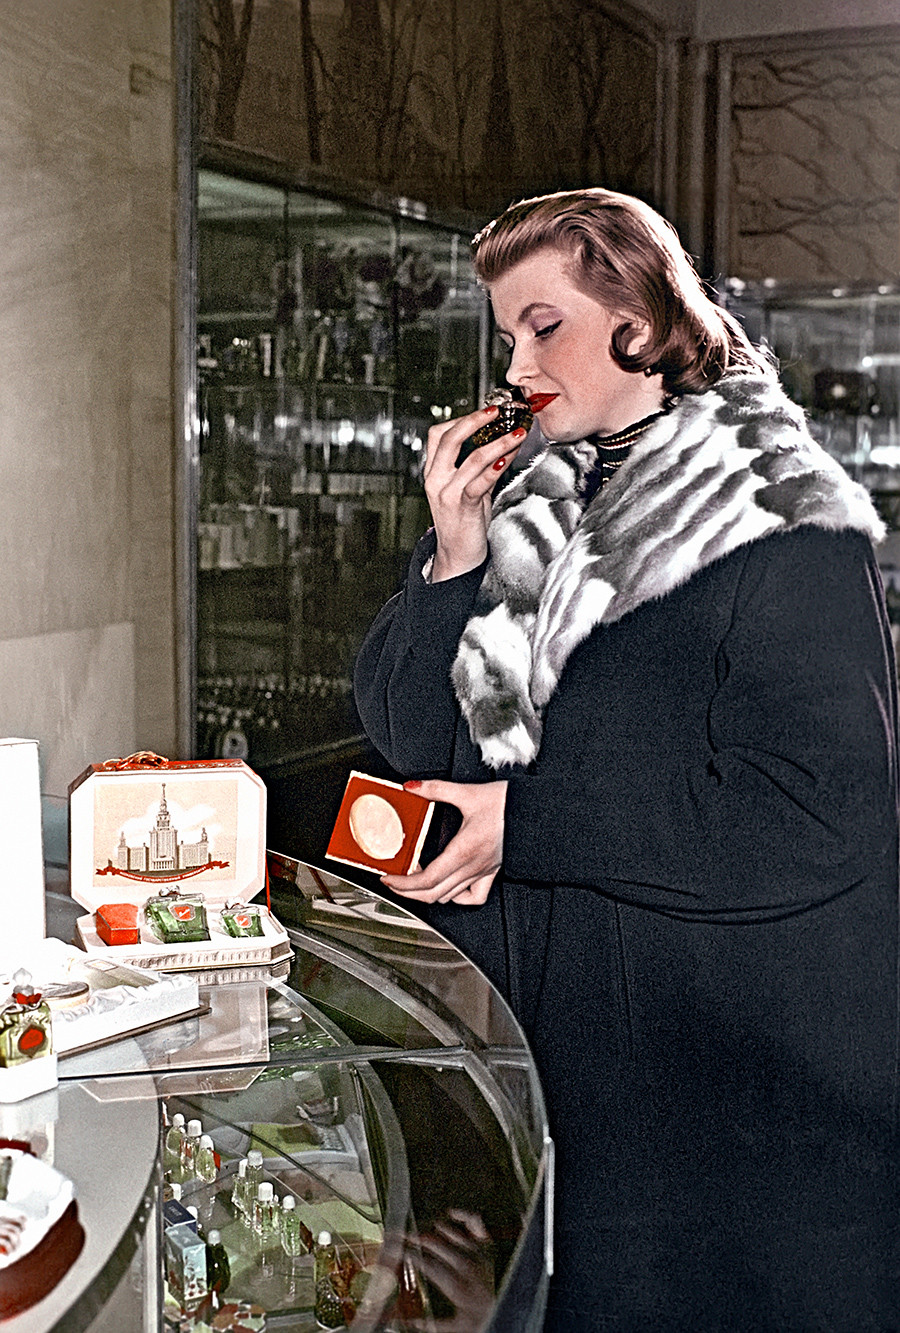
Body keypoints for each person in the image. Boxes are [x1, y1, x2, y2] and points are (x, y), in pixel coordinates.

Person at [354, 189, 899, 1330]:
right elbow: (415, 740)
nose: (515, 361)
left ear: (639, 323)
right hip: (547, 1038)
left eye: (541, 324)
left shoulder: (781, 517)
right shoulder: (532, 503)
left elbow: (821, 810)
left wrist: (528, 823)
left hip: (713, 1077)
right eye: (506, 332)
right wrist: (453, 558)